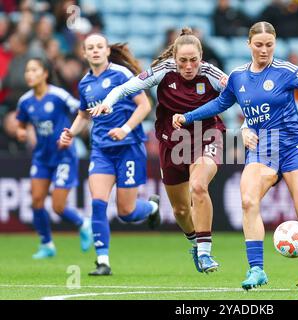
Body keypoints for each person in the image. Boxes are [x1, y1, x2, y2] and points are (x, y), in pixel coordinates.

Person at [172, 21, 298, 291]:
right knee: (247, 201)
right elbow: (220, 104)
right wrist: (188, 117)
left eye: (269, 45)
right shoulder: (238, 77)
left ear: (275, 44)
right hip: (262, 147)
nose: (264, 50)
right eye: (259, 45)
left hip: (292, 146)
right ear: (249, 45)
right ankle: (256, 269)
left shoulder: (286, 71)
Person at [89, 28, 228, 274]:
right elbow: (125, 89)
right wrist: (108, 103)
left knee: (198, 186)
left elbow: (243, 94)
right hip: (172, 144)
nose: (188, 66)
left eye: (193, 60)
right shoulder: (163, 71)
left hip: (207, 136)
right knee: (181, 209)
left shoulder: (212, 73)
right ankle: (195, 244)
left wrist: (250, 125)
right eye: (183, 60)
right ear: (174, 58)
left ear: (201, 56)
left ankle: (206, 253)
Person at [59, 34, 160, 276]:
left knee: (126, 212)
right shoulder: (84, 83)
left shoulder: (121, 74)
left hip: (129, 148)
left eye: (99, 47)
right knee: (97, 203)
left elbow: (144, 105)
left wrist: (125, 129)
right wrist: (70, 133)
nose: (95, 51)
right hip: (102, 150)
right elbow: (84, 115)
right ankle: (102, 261)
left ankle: (151, 208)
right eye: (90, 48)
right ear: (84, 53)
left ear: (106, 51)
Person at [15, 57, 93, 259]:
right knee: (36, 201)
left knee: (58, 206)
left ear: (45, 74)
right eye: (27, 70)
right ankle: (47, 244)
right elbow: (20, 123)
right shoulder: (25, 101)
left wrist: (71, 135)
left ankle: (83, 223)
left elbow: (82, 112)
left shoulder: (58, 96)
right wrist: (21, 132)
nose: (29, 74)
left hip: (63, 156)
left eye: (34, 70)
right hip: (41, 157)